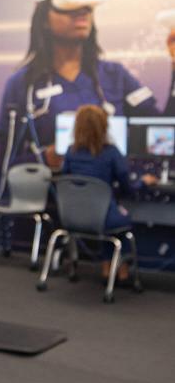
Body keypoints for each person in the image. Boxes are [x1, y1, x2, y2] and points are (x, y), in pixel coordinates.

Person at [0, 0, 174, 169]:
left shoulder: (116, 76)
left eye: (87, 8)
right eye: (70, 7)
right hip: (53, 187)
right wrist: (44, 158)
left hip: (110, 187)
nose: (82, 13)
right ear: (44, 19)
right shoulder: (23, 84)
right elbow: (5, 165)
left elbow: (164, 132)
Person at [60, 104, 133, 280]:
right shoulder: (111, 153)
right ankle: (122, 269)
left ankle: (107, 266)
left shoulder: (70, 151)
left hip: (73, 217)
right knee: (120, 219)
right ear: (104, 126)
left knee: (108, 214)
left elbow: (65, 180)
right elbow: (126, 183)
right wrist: (143, 183)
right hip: (102, 218)